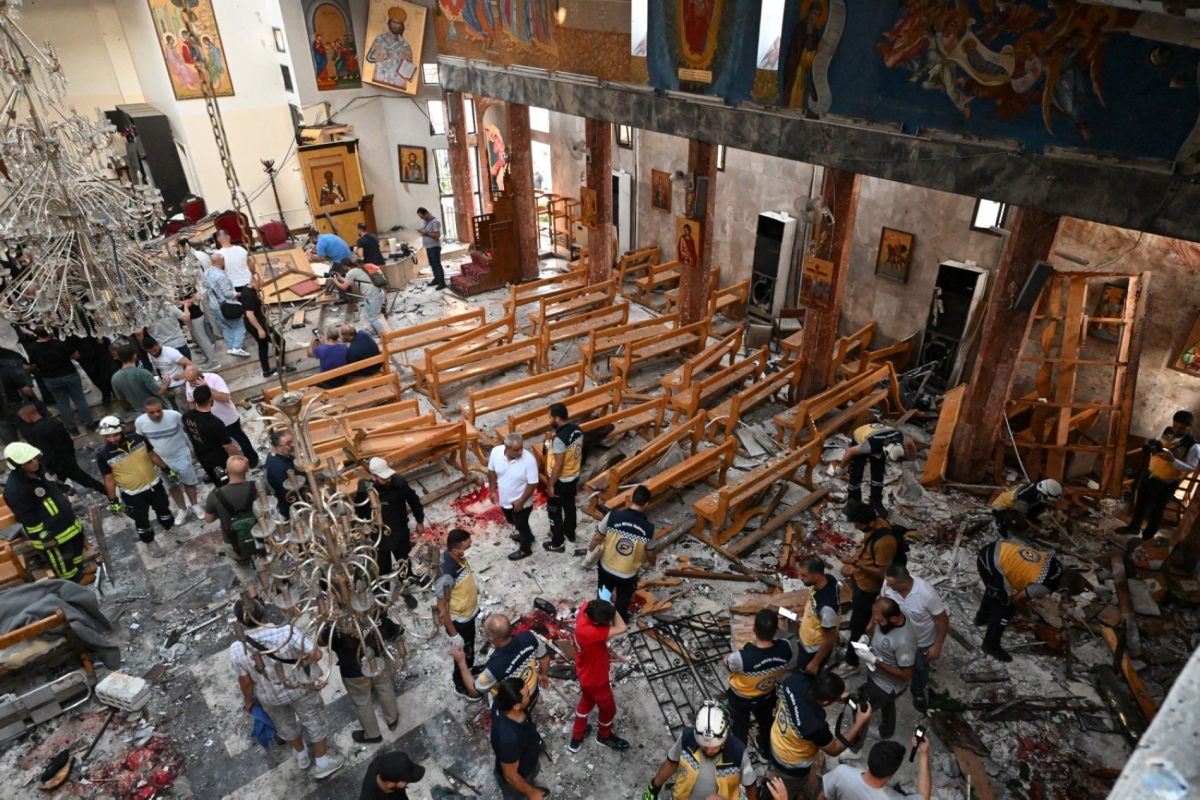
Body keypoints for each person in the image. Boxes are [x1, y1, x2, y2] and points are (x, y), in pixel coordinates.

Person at [229, 596, 344, 780]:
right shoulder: (285, 632)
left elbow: (246, 682)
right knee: (314, 720)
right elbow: (317, 654)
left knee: (285, 726)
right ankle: (322, 763)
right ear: (263, 610)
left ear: (240, 621)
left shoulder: (236, 649)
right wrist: (304, 662)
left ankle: (302, 756)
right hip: (299, 688)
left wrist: (249, 700)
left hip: (270, 696)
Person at [766, 671, 872, 799]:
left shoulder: (793, 680)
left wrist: (834, 696)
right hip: (791, 762)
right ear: (826, 702)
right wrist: (859, 722)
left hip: (777, 738)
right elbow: (834, 749)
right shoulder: (814, 725)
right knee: (791, 787)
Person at [4, 442, 87, 581]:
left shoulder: (40, 471)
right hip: (51, 533)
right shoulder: (15, 490)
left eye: (35, 458)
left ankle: (79, 570)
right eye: (29, 461)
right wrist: (44, 536)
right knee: (62, 558)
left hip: (67, 522)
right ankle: (74, 579)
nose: (34, 462)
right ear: (18, 466)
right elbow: (27, 517)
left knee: (76, 546)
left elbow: (53, 489)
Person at [96, 415, 175, 558]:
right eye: (108, 437)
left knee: (164, 509)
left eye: (115, 435)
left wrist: (167, 470)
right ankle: (150, 542)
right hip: (133, 494)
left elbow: (152, 456)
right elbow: (108, 479)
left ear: (122, 431)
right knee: (141, 520)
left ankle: (170, 528)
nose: (112, 439)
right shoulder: (103, 455)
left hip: (154, 485)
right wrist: (113, 501)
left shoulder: (138, 439)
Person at [644, 702, 758, 800]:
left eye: (715, 746)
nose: (709, 751)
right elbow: (672, 761)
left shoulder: (738, 753)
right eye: (704, 746)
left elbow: (750, 785)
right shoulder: (687, 738)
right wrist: (654, 787)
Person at [975, 541, 1066, 662]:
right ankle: (990, 645)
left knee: (996, 589)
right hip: (992, 563)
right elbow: (1017, 600)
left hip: (995, 549)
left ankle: (981, 618)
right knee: (1006, 605)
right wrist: (1029, 615)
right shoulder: (1047, 584)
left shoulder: (1057, 564)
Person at [838, 504, 901, 674]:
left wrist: (855, 563)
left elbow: (883, 573)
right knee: (857, 616)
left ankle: (852, 663)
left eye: (858, 524)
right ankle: (854, 631)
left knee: (859, 625)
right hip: (861, 583)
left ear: (871, 523)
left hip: (869, 588)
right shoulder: (877, 523)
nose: (856, 527)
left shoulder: (884, 543)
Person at [725, 609, 798, 754]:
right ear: (776, 631)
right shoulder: (786, 648)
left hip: (741, 699)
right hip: (767, 695)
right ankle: (765, 751)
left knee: (739, 728)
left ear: (753, 628)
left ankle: (740, 757)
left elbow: (727, 662)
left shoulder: (741, 658)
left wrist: (729, 656)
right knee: (766, 723)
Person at [1119, 410, 1200, 540]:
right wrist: (1150, 443)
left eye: (1182, 428)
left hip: (1166, 483)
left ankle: (1147, 538)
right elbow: (1157, 441)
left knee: (1156, 512)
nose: (1177, 430)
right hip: (1150, 474)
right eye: (1175, 426)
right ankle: (1134, 527)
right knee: (1141, 504)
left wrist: (1172, 460)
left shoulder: (1193, 446)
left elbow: (1191, 468)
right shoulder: (1168, 431)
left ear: (1189, 426)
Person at [881, 564, 948, 713]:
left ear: (903, 582)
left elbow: (943, 620)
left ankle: (917, 691)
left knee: (920, 667)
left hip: (922, 641)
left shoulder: (926, 594)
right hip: (899, 635)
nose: (888, 586)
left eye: (892, 584)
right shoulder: (888, 584)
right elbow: (883, 601)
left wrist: (937, 645)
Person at [570, 596, 630, 753]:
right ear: (597, 623)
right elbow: (622, 627)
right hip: (597, 680)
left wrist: (607, 607)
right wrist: (614, 608)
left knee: (586, 703)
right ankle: (604, 736)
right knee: (608, 709)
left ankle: (577, 736)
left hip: (585, 674)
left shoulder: (585, 608)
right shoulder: (589, 632)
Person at [851, 597, 916, 741]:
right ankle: (886, 733)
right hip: (876, 674)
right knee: (888, 705)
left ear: (893, 618)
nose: (876, 622)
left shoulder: (904, 643)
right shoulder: (895, 613)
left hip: (886, 686)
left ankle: (856, 744)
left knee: (860, 707)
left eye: (879, 621)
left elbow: (906, 676)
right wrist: (867, 637)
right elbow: (873, 626)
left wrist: (874, 661)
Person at [327, 618, 399, 744]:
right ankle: (392, 719)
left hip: (354, 670)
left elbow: (325, 643)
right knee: (384, 686)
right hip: (377, 660)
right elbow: (388, 627)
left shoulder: (335, 628)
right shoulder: (373, 612)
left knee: (362, 701)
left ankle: (372, 734)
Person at [590, 485, 657, 621]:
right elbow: (650, 553)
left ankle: (600, 617)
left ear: (631, 498)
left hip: (607, 566)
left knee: (604, 593)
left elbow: (598, 537)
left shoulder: (612, 516)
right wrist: (652, 563)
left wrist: (590, 550)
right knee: (623, 598)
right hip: (628, 573)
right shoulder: (649, 529)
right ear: (646, 504)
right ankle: (620, 619)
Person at [453, 614, 549, 706]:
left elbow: (475, 692)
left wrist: (461, 662)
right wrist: (542, 674)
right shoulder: (529, 638)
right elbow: (545, 659)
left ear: (491, 639)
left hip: (512, 705)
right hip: (532, 692)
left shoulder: (495, 667)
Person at [135, 398, 204, 524]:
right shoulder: (140, 422)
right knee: (172, 486)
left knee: (189, 482)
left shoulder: (174, 416)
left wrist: (194, 447)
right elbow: (142, 439)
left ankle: (195, 505)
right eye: (152, 412)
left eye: (159, 411)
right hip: (161, 460)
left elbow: (187, 430)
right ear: (145, 411)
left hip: (181, 455)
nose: (156, 414)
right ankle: (183, 509)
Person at [354, 457, 425, 578]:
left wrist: (419, 520)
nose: (388, 480)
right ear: (373, 477)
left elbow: (414, 501)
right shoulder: (365, 490)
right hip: (379, 534)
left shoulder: (399, 483)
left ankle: (406, 581)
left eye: (388, 476)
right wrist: (363, 528)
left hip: (399, 529)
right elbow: (359, 510)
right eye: (383, 478)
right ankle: (384, 588)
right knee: (383, 567)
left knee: (403, 561)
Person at [17, 403, 106, 497]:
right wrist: (71, 456)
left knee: (53, 489)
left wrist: (51, 471)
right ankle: (110, 492)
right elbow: (68, 440)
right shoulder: (55, 422)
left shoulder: (38, 430)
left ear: (27, 416)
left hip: (58, 466)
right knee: (88, 481)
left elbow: (47, 452)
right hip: (68, 461)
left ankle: (67, 494)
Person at [183, 366, 259, 468]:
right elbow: (191, 401)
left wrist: (207, 387)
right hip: (209, 422)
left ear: (199, 375)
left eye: (192, 380)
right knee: (221, 444)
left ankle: (252, 458)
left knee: (240, 438)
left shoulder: (214, 378)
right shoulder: (189, 384)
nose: (190, 383)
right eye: (188, 380)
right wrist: (194, 417)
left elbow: (225, 398)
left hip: (227, 418)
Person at [23, 328, 94, 435]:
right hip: (69, 374)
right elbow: (77, 355)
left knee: (62, 403)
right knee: (79, 400)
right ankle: (89, 424)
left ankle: (72, 428)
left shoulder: (32, 348)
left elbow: (32, 365)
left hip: (50, 378)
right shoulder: (60, 343)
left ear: (35, 334)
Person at [436, 529, 480, 700]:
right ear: (455, 550)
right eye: (468, 547)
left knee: (469, 649)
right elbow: (441, 607)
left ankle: (468, 669)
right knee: (463, 653)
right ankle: (461, 685)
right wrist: (454, 634)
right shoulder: (446, 574)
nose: (471, 549)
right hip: (460, 621)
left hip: (468, 615)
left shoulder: (459, 558)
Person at [836, 423, 918, 513]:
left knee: (878, 472)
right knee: (856, 471)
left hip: (880, 437)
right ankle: (853, 503)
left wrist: (914, 461)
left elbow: (911, 444)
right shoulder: (870, 445)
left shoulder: (900, 437)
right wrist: (841, 468)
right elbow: (850, 451)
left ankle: (876, 502)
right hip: (862, 435)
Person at [489, 678, 548, 800]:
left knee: (532, 775)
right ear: (515, 706)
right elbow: (510, 775)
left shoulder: (501, 701)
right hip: (519, 774)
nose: (530, 694)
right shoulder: (508, 740)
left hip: (527, 757)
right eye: (527, 694)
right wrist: (532, 793)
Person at [820, 738, 931, 800]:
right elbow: (924, 797)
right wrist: (923, 754)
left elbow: (823, 796)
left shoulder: (842, 773)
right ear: (892, 775)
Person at [488, 433, 539, 561]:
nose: (521, 451)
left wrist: (521, 501)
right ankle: (528, 536)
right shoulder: (495, 452)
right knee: (511, 521)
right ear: (506, 448)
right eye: (516, 449)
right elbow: (491, 471)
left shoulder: (529, 461)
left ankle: (525, 549)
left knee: (521, 524)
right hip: (505, 500)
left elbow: (533, 483)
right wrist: (492, 491)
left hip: (521, 502)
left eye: (522, 447)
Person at [182, 385, 241, 486]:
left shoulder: (187, 416)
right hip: (218, 460)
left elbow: (189, 432)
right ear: (211, 399)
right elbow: (227, 445)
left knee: (216, 481)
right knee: (227, 483)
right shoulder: (215, 423)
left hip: (202, 457)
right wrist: (241, 457)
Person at [543, 402, 582, 552]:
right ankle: (570, 533)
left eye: (550, 417)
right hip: (573, 476)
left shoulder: (560, 438)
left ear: (557, 418)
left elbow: (558, 464)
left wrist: (551, 484)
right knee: (570, 505)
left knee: (554, 511)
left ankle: (557, 543)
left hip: (561, 480)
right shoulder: (577, 430)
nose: (549, 420)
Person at [202, 455, 256, 558]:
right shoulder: (258, 486)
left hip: (233, 540)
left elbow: (209, 519)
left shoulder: (215, 495)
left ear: (226, 470)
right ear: (247, 470)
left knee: (240, 566)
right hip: (260, 532)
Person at [795, 556, 841, 674]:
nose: (799, 577)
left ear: (816, 576)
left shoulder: (827, 609)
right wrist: (805, 609)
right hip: (806, 641)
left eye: (804, 575)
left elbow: (829, 639)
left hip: (811, 649)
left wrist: (815, 663)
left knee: (805, 676)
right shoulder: (829, 579)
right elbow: (814, 598)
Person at [241, 273, 292, 378]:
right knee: (280, 342)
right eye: (261, 283)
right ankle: (280, 367)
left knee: (263, 345)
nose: (262, 286)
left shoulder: (247, 289)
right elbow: (250, 315)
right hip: (257, 325)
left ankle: (266, 370)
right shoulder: (250, 295)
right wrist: (260, 329)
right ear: (254, 282)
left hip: (257, 322)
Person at [205, 252, 250, 358]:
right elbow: (227, 294)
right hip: (225, 305)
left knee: (226, 327)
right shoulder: (221, 276)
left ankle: (230, 347)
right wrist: (242, 293)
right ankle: (237, 347)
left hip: (214, 305)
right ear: (221, 262)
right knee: (240, 325)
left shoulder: (207, 272)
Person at [331, 260, 387, 336]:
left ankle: (384, 334)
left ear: (345, 266)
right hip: (375, 293)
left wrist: (335, 280)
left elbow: (344, 287)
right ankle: (373, 330)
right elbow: (350, 283)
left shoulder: (351, 272)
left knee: (372, 317)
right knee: (369, 313)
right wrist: (340, 278)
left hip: (373, 295)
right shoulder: (359, 268)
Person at [991, 479, 1063, 536]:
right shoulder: (1024, 498)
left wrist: (1058, 511)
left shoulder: (1035, 489)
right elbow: (1022, 517)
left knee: (1042, 505)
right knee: (1021, 524)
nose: (1049, 502)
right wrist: (1038, 530)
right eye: (1048, 499)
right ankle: (1000, 522)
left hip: (1014, 506)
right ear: (1041, 494)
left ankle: (1030, 519)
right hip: (1001, 509)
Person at [111, 343, 167, 414]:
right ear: (135, 356)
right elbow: (159, 392)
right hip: (160, 411)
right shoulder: (142, 373)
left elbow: (122, 400)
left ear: (118, 357)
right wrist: (167, 382)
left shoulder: (115, 378)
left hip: (140, 413)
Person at [142, 335, 193, 413]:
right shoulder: (150, 355)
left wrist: (182, 375)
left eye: (155, 350)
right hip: (167, 386)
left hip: (179, 386)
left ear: (158, 344)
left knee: (184, 410)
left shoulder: (171, 352)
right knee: (174, 410)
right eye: (150, 352)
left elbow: (190, 364)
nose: (154, 353)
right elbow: (158, 369)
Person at [360, 751, 425, 799]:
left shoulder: (379, 762)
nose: (407, 783)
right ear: (390, 784)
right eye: (406, 781)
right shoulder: (369, 797)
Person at [265, 429, 298, 519]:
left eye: (291, 441)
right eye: (288, 444)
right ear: (278, 448)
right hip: (293, 506)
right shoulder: (278, 468)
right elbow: (287, 493)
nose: (292, 445)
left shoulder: (277, 455)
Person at [416, 208, 444, 289]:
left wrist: (426, 233)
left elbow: (437, 235)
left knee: (437, 264)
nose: (422, 218)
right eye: (420, 217)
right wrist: (422, 231)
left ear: (426, 213)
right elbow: (427, 232)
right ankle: (436, 279)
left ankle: (442, 282)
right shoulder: (426, 221)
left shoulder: (435, 222)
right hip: (428, 246)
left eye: (422, 216)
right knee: (432, 264)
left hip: (434, 247)